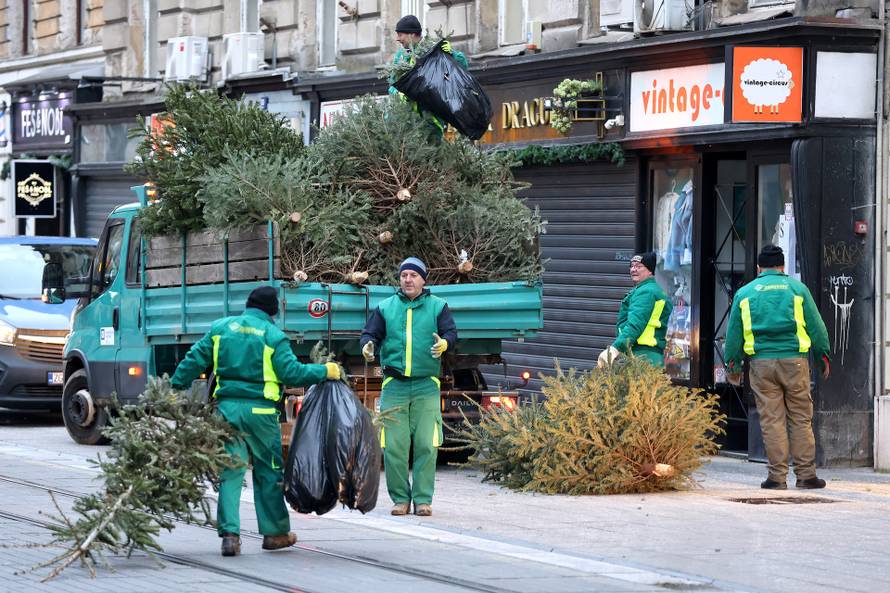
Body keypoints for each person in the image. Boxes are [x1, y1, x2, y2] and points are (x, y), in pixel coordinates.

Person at [171, 286, 341, 557]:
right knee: (268, 474)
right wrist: (325, 370)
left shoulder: (221, 328)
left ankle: (229, 535)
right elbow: (292, 373)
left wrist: (173, 387)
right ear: (272, 309)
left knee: (230, 472)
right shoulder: (273, 335)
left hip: (226, 411)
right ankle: (275, 534)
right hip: (261, 414)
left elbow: (193, 360)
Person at [724, 245, 830, 490]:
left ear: (759, 268)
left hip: (761, 364)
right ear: (783, 267)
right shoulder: (797, 289)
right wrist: (822, 355)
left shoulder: (745, 293)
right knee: (801, 419)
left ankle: (776, 478)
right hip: (795, 362)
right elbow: (817, 327)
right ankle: (806, 476)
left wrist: (733, 366)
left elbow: (733, 335)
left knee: (772, 421)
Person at [360, 257, 457, 517]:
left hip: (427, 384)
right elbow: (370, 334)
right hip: (395, 386)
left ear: (424, 280)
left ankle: (423, 500)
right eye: (404, 275)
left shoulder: (438, 307)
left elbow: (451, 333)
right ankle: (400, 500)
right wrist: (367, 347)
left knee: (427, 443)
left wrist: (444, 344)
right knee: (394, 446)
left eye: (414, 275)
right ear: (399, 279)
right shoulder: (385, 307)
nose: (408, 279)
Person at [389, 14, 469, 139]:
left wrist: (451, 54)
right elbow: (392, 81)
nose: (398, 39)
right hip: (406, 120)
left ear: (412, 34)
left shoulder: (432, 49)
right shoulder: (400, 55)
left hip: (429, 120)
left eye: (400, 35)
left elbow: (462, 66)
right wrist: (396, 92)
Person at [599, 251, 672, 368]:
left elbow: (635, 324)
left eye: (639, 266)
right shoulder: (653, 290)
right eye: (631, 266)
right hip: (649, 356)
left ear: (650, 270)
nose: (633, 270)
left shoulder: (646, 292)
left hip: (642, 356)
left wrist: (615, 348)